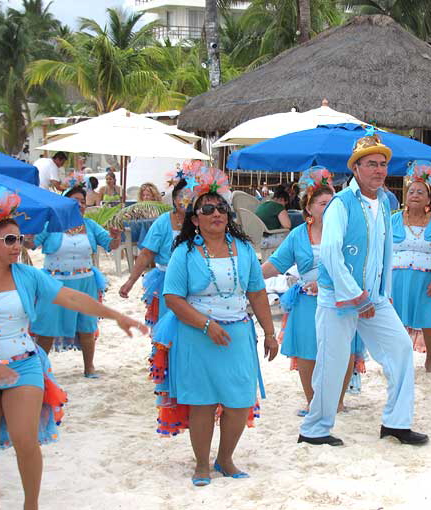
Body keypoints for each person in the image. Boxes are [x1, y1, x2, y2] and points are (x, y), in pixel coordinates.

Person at [0, 188, 146, 510]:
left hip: (24, 364)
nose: (17, 246)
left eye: (19, 239)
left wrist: (117, 315)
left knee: (25, 440)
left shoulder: (29, 275)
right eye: (9, 241)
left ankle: (30, 506)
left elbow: (74, 298)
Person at [299, 127, 427, 447]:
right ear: (355, 168)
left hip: (376, 298)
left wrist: (384, 293)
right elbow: (329, 253)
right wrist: (354, 295)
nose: (379, 170)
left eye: (382, 164)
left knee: (400, 348)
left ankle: (396, 423)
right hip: (339, 298)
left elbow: (385, 253)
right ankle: (314, 429)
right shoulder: (341, 204)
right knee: (333, 363)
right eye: (370, 164)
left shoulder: (385, 202)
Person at [149, 167, 278, 486]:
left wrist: (270, 333)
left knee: (240, 401)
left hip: (237, 332)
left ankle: (225, 459)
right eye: (207, 208)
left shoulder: (245, 248)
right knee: (203, 402)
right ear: (195, 218)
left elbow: (257, 291)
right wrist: (206, 325)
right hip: (196, 335)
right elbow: (174, 297)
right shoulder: (184, 252)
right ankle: (202, 465)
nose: (216, 213)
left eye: (222, 207)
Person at [261, 167, 365, 415]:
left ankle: (338, 402)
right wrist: (248, 275)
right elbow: (276, 264)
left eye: (333, 202)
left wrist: (328, 283)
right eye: (322, 203)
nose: (329, 207)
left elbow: (358, 266)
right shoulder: (298, 235)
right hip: (307, 300)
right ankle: (313, 400)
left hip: (341, 299)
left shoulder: (348, 232)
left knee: (345, 349)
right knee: (307, 350)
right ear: (308, 208)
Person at [26, 178, 121, 377]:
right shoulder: (50, 224)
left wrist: (116, 237)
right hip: (53, 283)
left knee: (87, 326)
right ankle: (39, 370)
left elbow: (110, 245)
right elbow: (31, 244)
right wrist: (26, 235)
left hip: (85, 281)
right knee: (46, 327)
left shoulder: (91, 225)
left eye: (83, 201)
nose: (79, 204)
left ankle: (89, 367)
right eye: (74, 201)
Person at [391, 161, 431, 373]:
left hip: (427, 279)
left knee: (428, 318)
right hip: (398, 279)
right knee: (397, 319)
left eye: (420, 192)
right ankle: (398, 360)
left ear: (428, 198)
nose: (415, 195)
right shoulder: (395, 220)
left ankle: (429, 361)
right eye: (411, 191)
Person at [119, 174, 194, 328]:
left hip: (195, 279)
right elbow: (147, 253)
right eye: (182, 195)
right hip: (167, 279)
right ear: (174, 199)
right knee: (166, 324)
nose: (186, 200)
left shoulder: (202, 221)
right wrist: (131, 281)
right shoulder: (163, 222)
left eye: (191, 196)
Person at [255, 185, 291, 250]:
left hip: (255, 238)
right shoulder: (278, 207)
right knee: (291, 235)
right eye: (285, 203)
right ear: (282, 200)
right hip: (267, 240)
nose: (285, 205)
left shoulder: (263, 205)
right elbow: (287, 225)